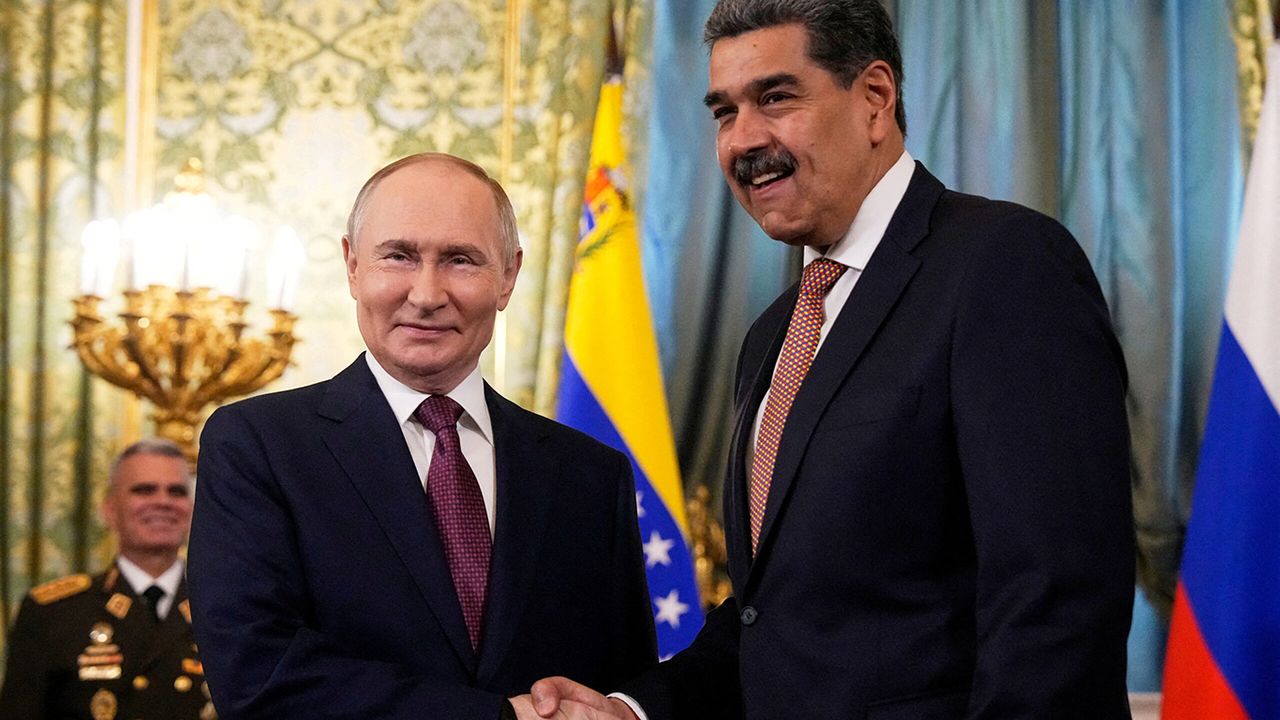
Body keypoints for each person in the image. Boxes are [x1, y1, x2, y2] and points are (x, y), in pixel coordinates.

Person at [532, 1, 1134, 718]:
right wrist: (633, 709)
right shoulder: (773, 334)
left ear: (874, 98)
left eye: (775, 98)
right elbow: (774, 616)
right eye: (724, 112)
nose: (743, 139)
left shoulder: (1004, 264)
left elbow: (1056, 601)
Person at [187, 153, 656, 720]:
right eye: (399, 256)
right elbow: (256, 675)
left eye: (460, 260)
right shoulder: (258, 446)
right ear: (352, 266)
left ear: (508, 276)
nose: (427, 294)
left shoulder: (589, 473)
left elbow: (621, 687)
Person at [0, 438, 215, 720]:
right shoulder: (53, 613)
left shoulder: (224, 608)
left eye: (176, 492)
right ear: (110, 510)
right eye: (144, 490)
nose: (163, 502)